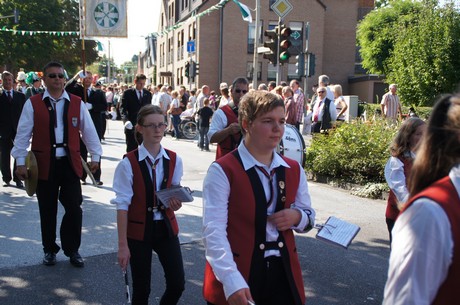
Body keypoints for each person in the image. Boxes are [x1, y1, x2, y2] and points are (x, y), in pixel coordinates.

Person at [203, 90, 315, 305]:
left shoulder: (293, 168)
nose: (277, 129)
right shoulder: (223, 170)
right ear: (246, 124)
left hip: (283, 272)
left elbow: (309, 217)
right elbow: (213, 232)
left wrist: (297, 217)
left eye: (282, 121)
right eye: (268, 121)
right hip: (238, 272)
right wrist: (231, 280)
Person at [12, 61, 102, 267]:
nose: (57, 79)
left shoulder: (77, 102)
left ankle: (72, 249)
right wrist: (19, 162)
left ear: (65, 79)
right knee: (47, 209)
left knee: (74, 208)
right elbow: (23, 135)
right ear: (44, 79)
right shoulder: (32, 103)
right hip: (43, 164)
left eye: (60, 76)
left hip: (69, 163)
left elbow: (89, 132)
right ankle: (49, 249)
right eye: (52, 76)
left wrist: (95, 157)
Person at [383, 94, 460, 304]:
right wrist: (412, 205)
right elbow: (398, 187)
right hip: (399, 213)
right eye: (418, 135)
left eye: (424, 135)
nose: (422, 140)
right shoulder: (429, 212)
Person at [112, 104, 185, 305]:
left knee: (177, 284)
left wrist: (176, 202)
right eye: (151, 125)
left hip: (166, 227)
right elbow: (122, 206)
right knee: (142, 289)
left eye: (161, 125)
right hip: (139, 231)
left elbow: (174, 193)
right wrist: (122, 246)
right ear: (140, 128)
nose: (157, 130)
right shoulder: (128, 163)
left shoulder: (174, 159)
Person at [383, 117, 426, 243]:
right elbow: (400, 190)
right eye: (419, 134)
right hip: (399, 216)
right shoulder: (397, 160)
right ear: (408, 136)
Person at [66, 70, 107, 185]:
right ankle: (82, 175)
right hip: (79, 124)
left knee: (95, 150)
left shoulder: (98, 93)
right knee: (81, 150)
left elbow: (104, 106)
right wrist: (76, 76)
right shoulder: (76, 90)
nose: (87, 80)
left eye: (89, 78)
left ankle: (97, 176)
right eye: (85, 78)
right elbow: (66, 88)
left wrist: (93, 106)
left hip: (95, 124)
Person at [208, 77, 249, 159]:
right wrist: (228, 131)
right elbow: (211, 138)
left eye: (244, 91)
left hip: (247, 161)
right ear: (231, 92)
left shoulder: (253, 112)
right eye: (237, 91)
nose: (241, 94)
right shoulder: (221, 113)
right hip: (226, 161)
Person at [0, 71, 26, 187]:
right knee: (4, 155)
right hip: (3, 131)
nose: (7, 82)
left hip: (18, 130)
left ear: (13, 81)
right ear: (2, 81)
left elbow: (25, 115)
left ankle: (18, 178)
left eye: (9, 80)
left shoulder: (20, 96)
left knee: (18, 154)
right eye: (5, 80)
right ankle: (6, 178)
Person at [120, 74, 152, 152]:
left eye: (144, 84)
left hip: (144, 127)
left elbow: (149, 109)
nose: (142, 85)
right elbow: (122, 109)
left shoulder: (147, 94)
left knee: (146, 150)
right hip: (131, 126)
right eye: (140, 83)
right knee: (131, 150)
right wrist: (126, 121)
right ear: (135, 82)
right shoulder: (127, 93)